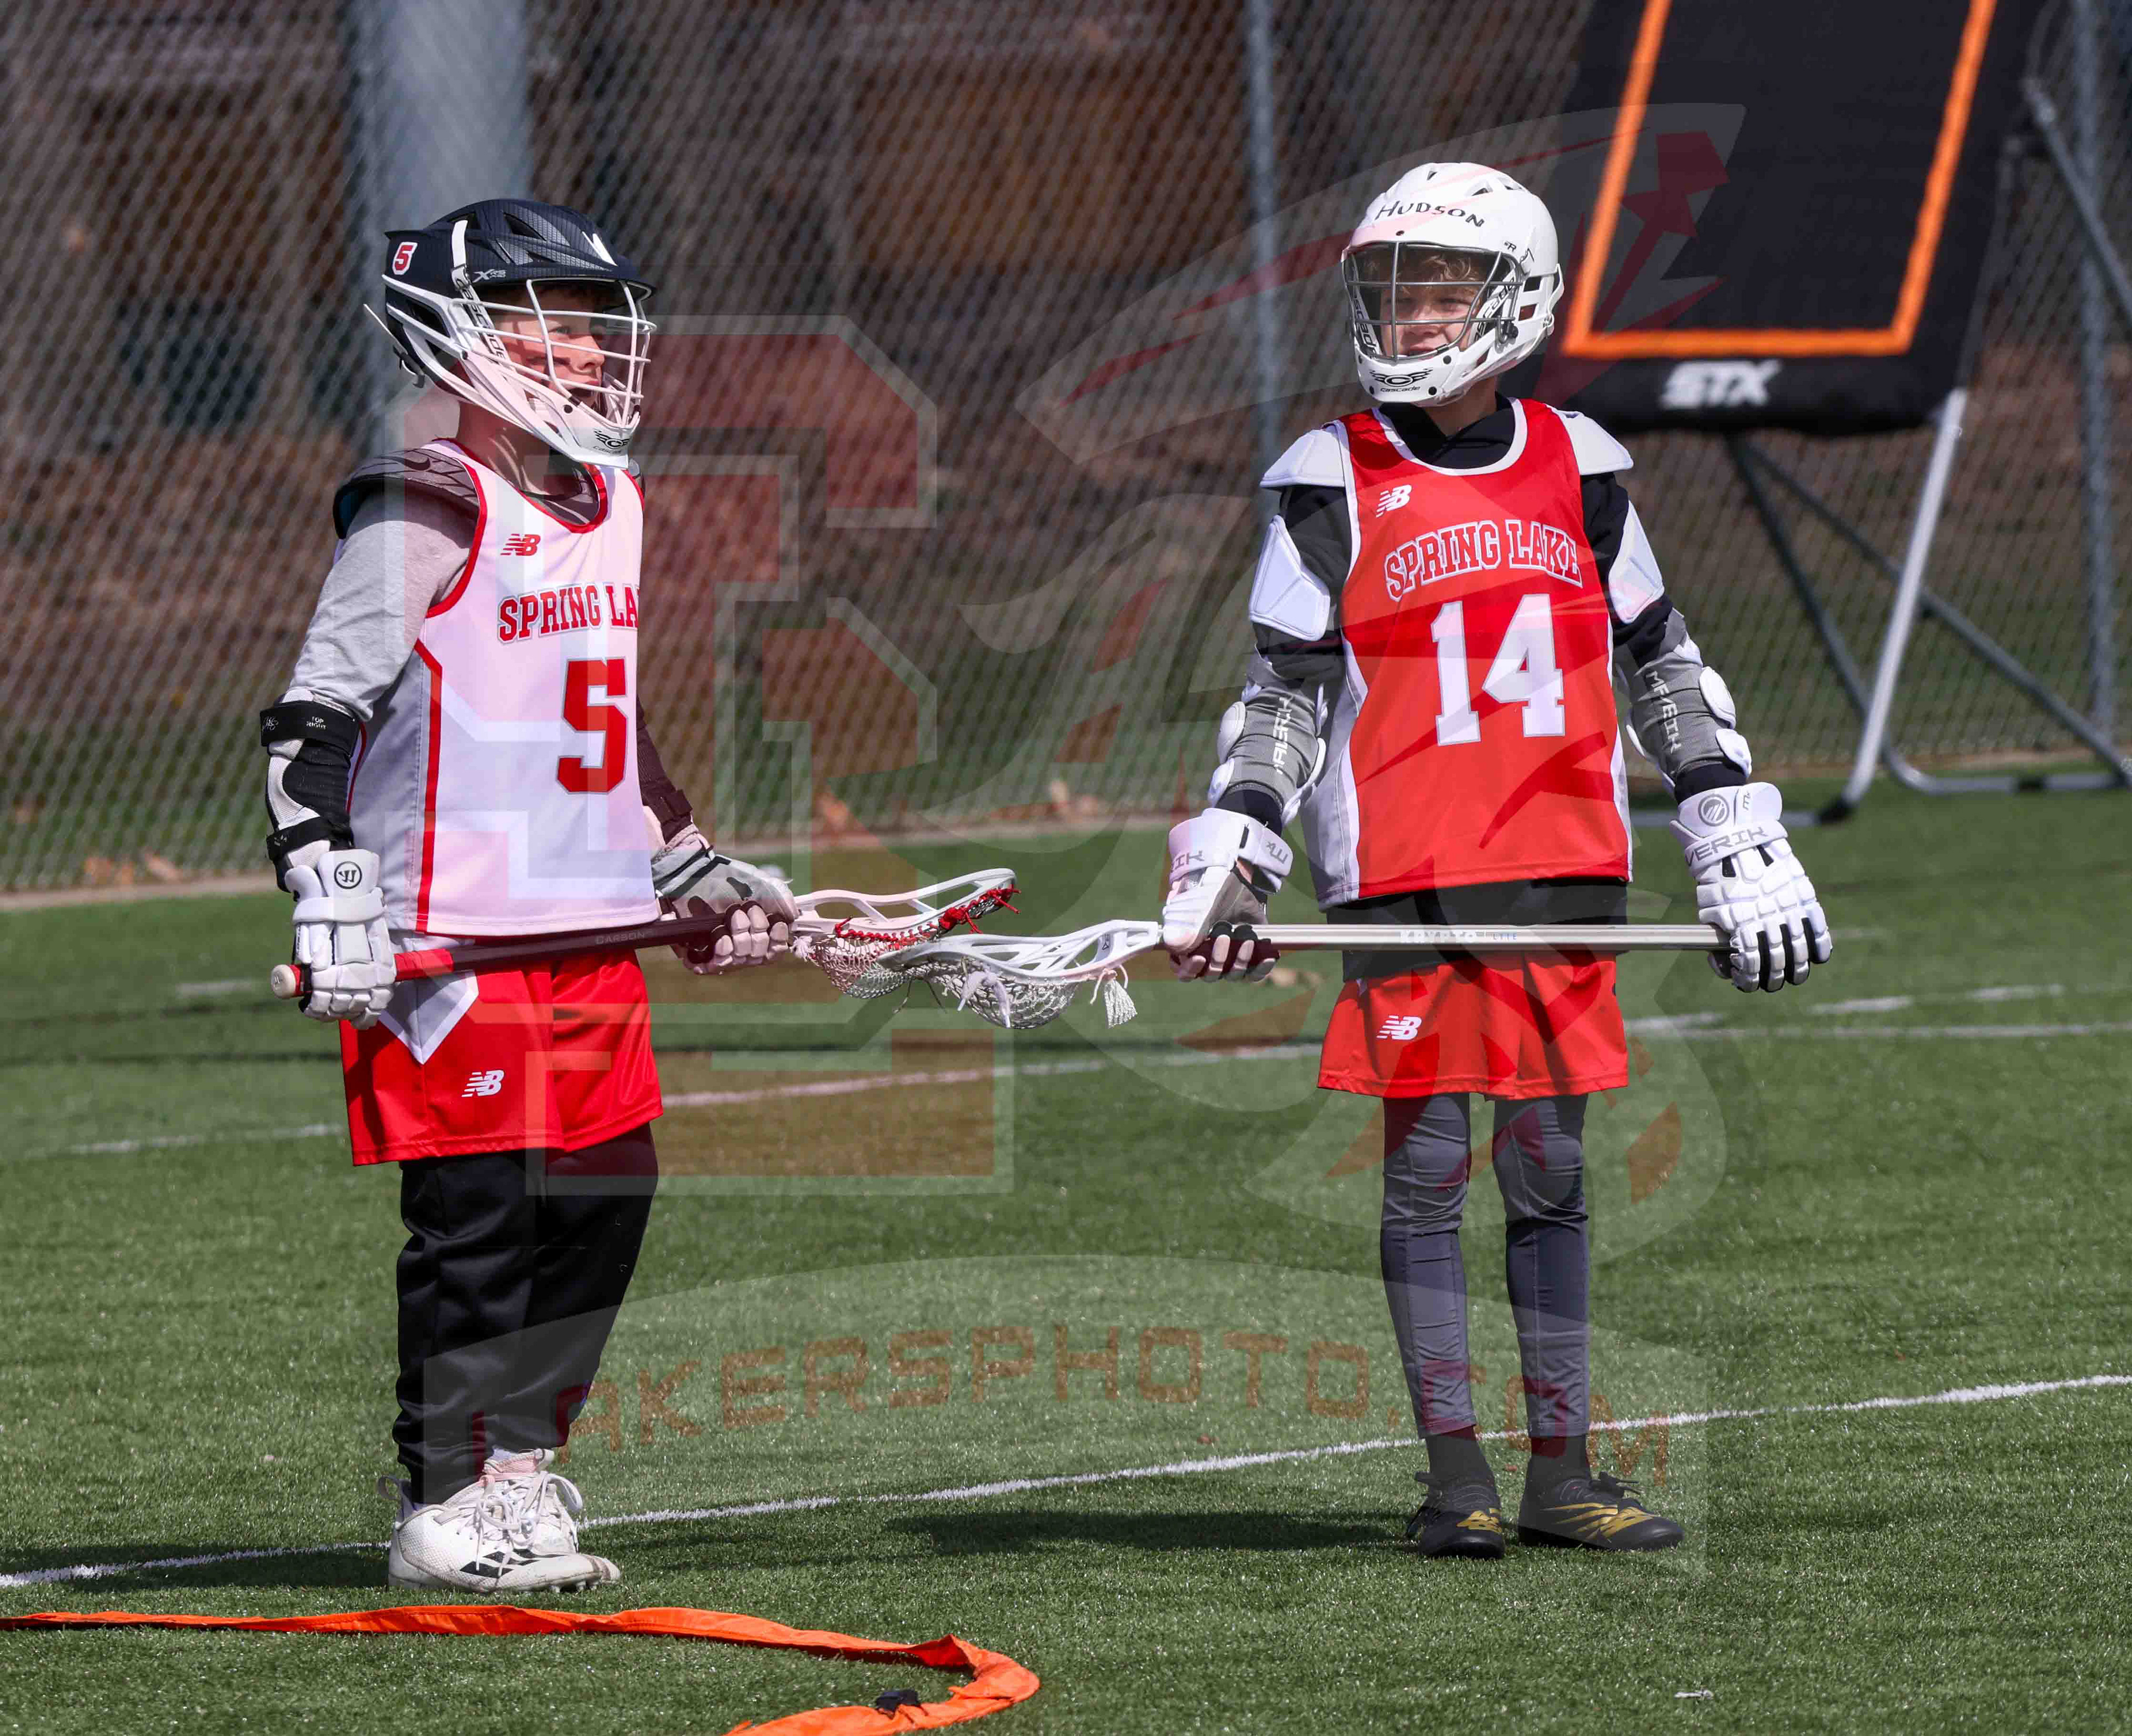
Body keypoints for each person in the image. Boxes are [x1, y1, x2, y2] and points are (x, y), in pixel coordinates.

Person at [1161, 163, 1832, 1559]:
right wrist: (1239, 848)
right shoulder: (1329, 476)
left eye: (1443, 290)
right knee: (1423, 1171)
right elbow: (1283, 694)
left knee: (1549, 1165)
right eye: (1395, 289)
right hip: (1405, 871)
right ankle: (1454, 1477)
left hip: (1562, 860)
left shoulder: (1581, 465)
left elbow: (1661, 662)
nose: (1412, 315)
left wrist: (1733, 827)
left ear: (1516, 300)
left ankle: (1563, 1474)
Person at [260, 199, 796, 1592]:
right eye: (547, 319)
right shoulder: (425, 505)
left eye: (596, 320)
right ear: (458, 333)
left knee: (608, 1200)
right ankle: (440, 1500)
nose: (587, 348)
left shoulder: (614, 502)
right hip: (455, 940)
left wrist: (684, 855)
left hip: (586, 927)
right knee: (482, 1224)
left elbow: (603, 712)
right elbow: (312, 723)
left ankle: (516, 1473)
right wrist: (329, 886)